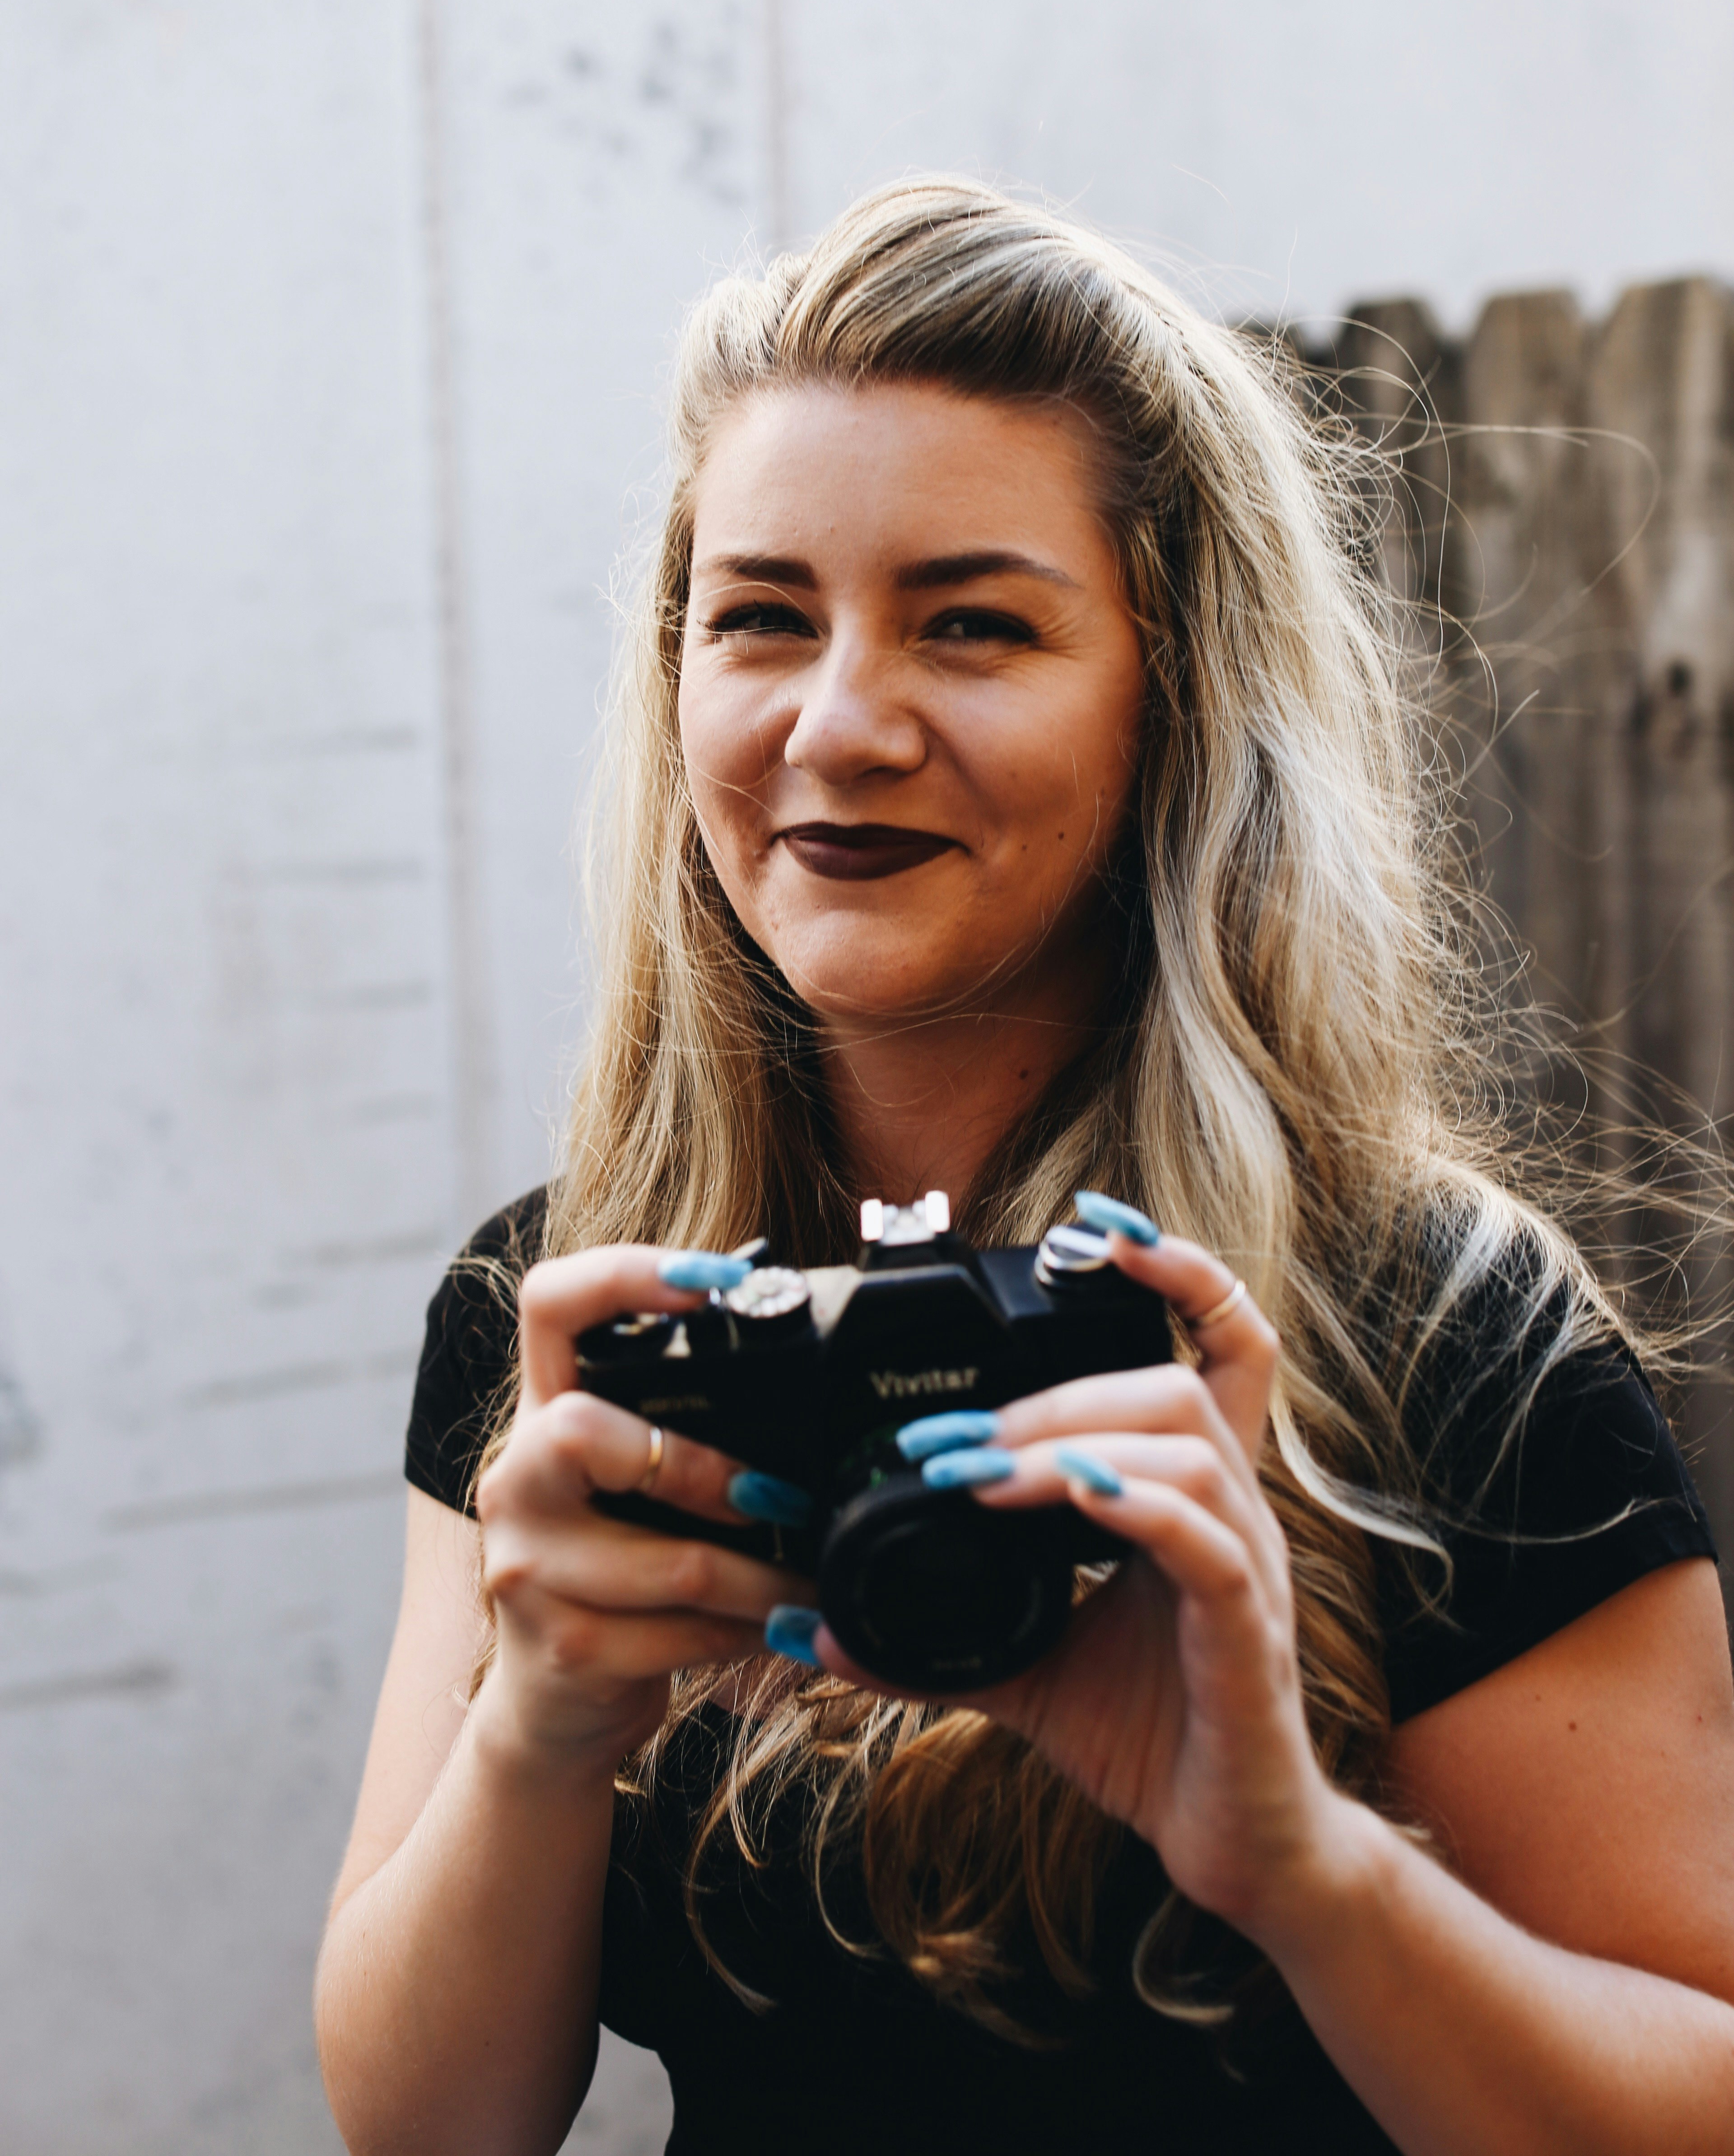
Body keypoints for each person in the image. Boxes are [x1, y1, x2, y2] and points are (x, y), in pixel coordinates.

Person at [315, 180, 1734, 2155]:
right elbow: (422, 2129)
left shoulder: (1432, 1325)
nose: (839, 723)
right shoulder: (578, 1317)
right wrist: (541, 1733)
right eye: (761, 620)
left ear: (1175, 700)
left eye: (973, 625)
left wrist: (1306, 1869)